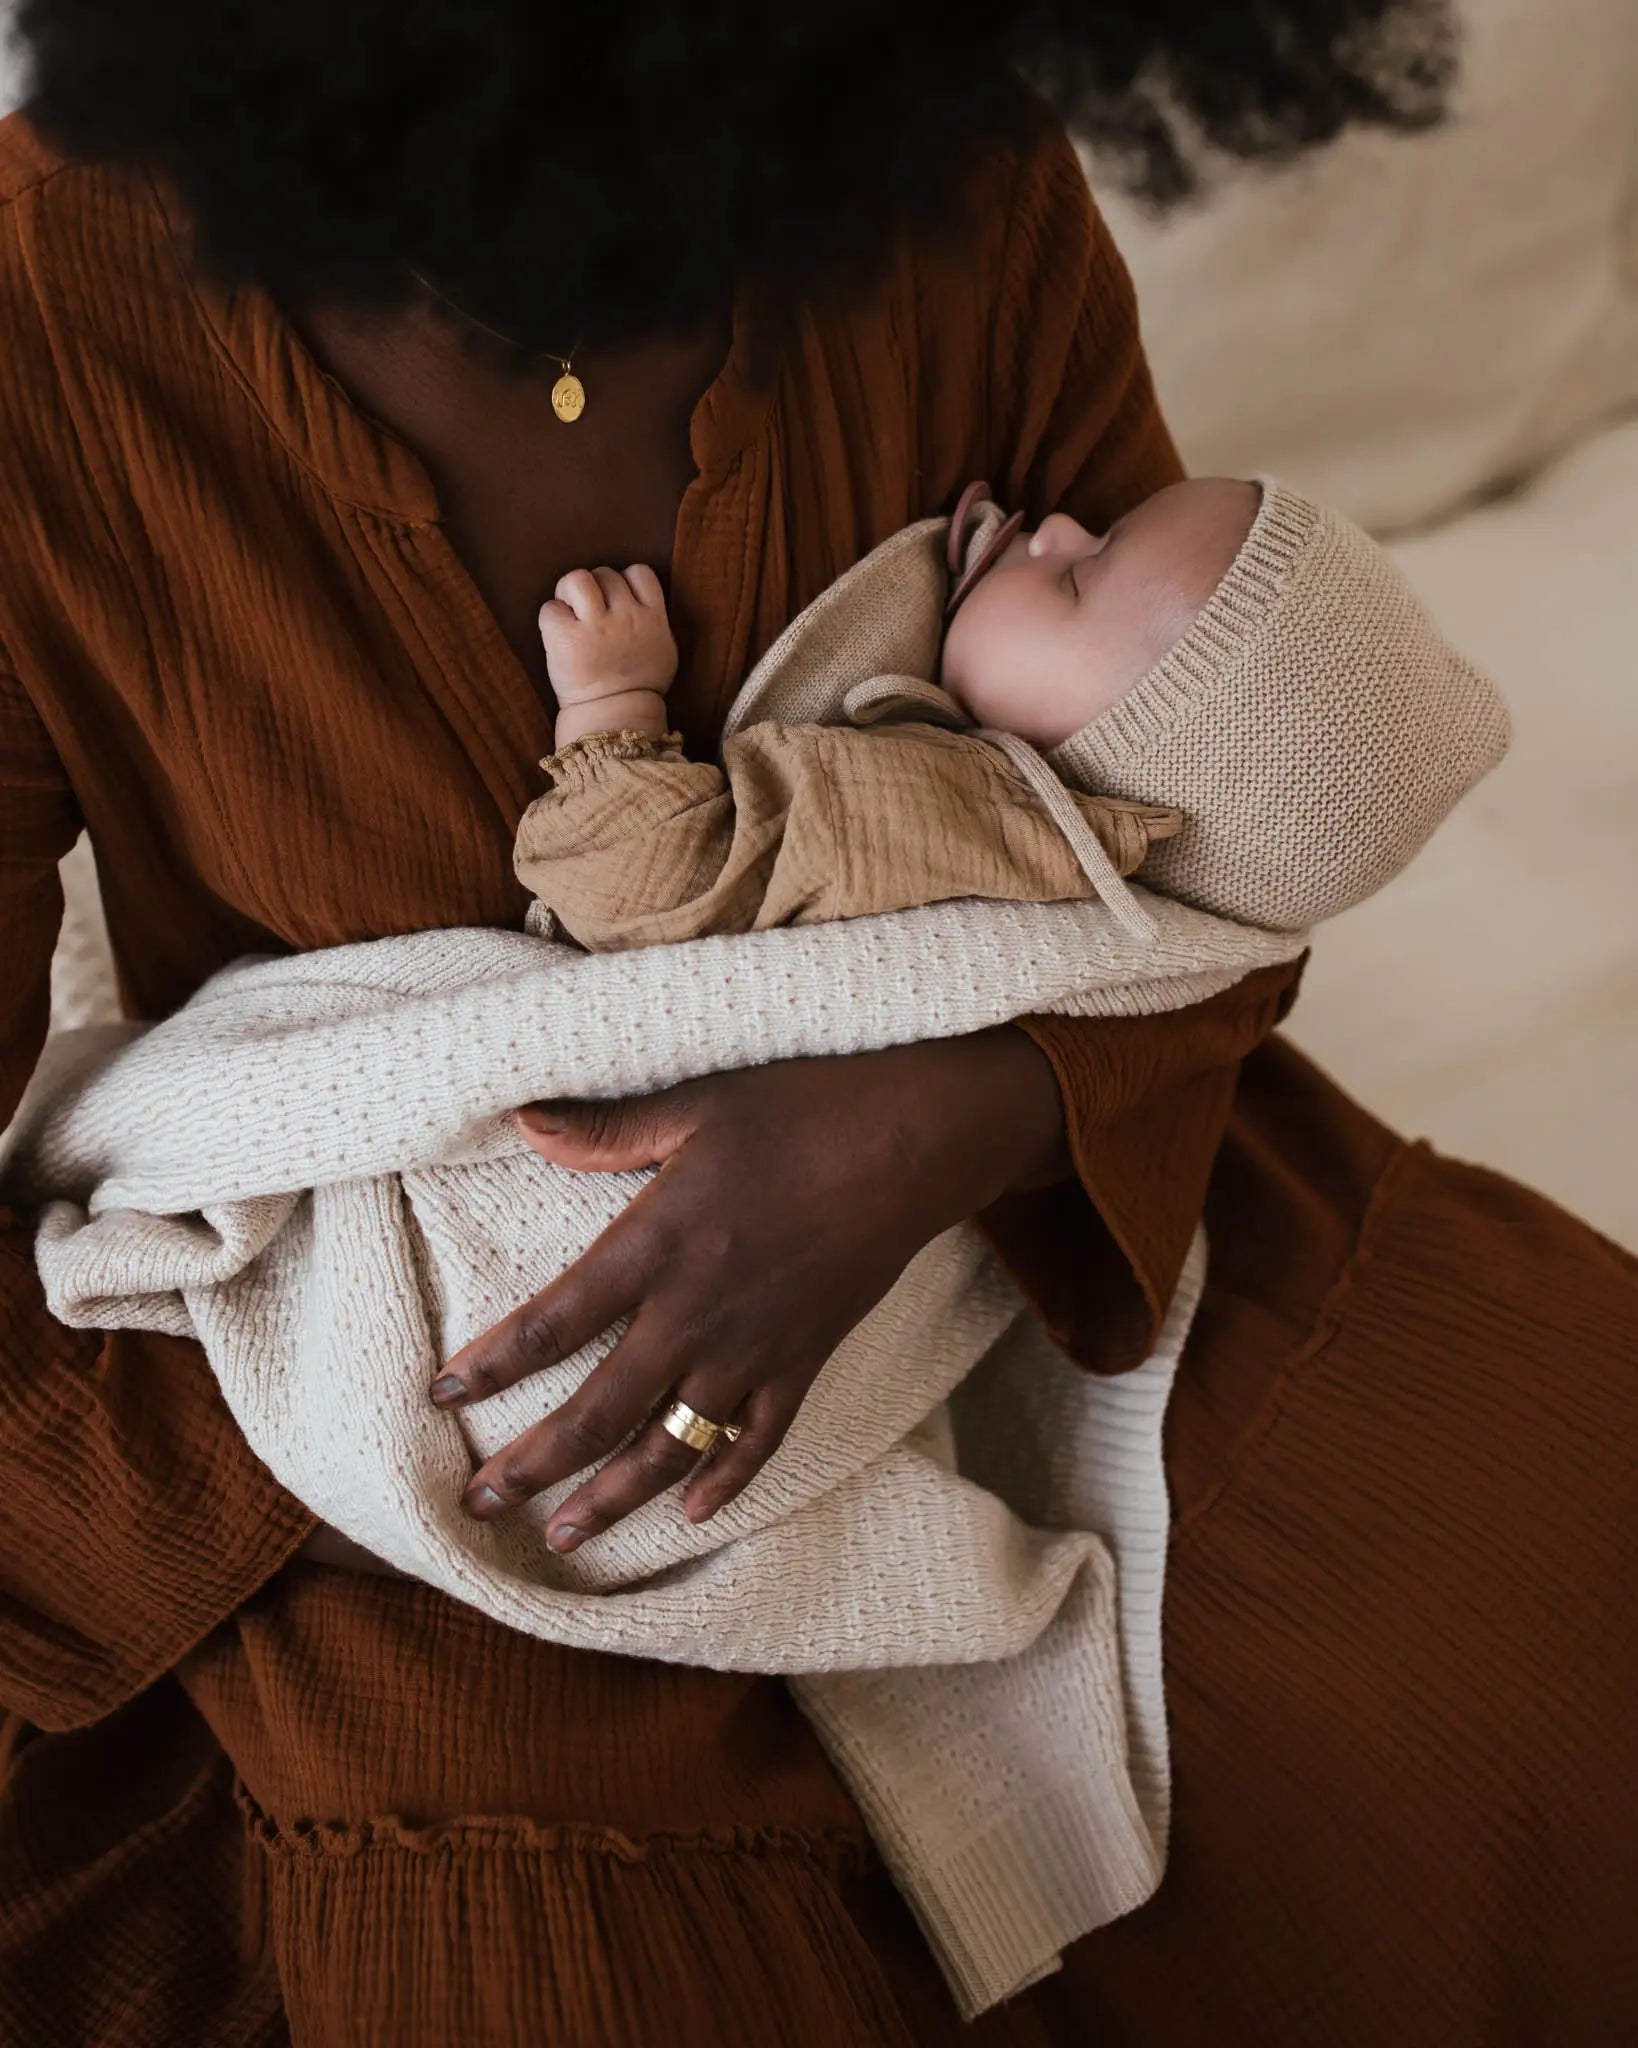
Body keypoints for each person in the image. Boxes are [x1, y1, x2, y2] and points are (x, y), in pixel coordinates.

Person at [0, 6, 1630, 2046]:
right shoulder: (45, 315)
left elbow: (1189, 823)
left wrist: (934, 1118)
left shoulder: (943, 158)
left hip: (1023, 1196)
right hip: (437, 1359)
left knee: (1561, 1585)